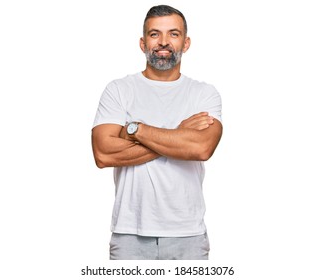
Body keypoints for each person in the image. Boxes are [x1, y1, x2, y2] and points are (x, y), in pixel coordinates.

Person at [91, 5, 223, 260]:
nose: (163, 42)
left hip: (188, 235)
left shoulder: (203, 94)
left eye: (173, 34)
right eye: (154, 34)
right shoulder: (119, 89)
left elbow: (201, 148)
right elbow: (103, 154)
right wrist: (178, 135)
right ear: (142, 43)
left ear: (186, 43)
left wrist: (134, 130)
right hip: (129, 234)